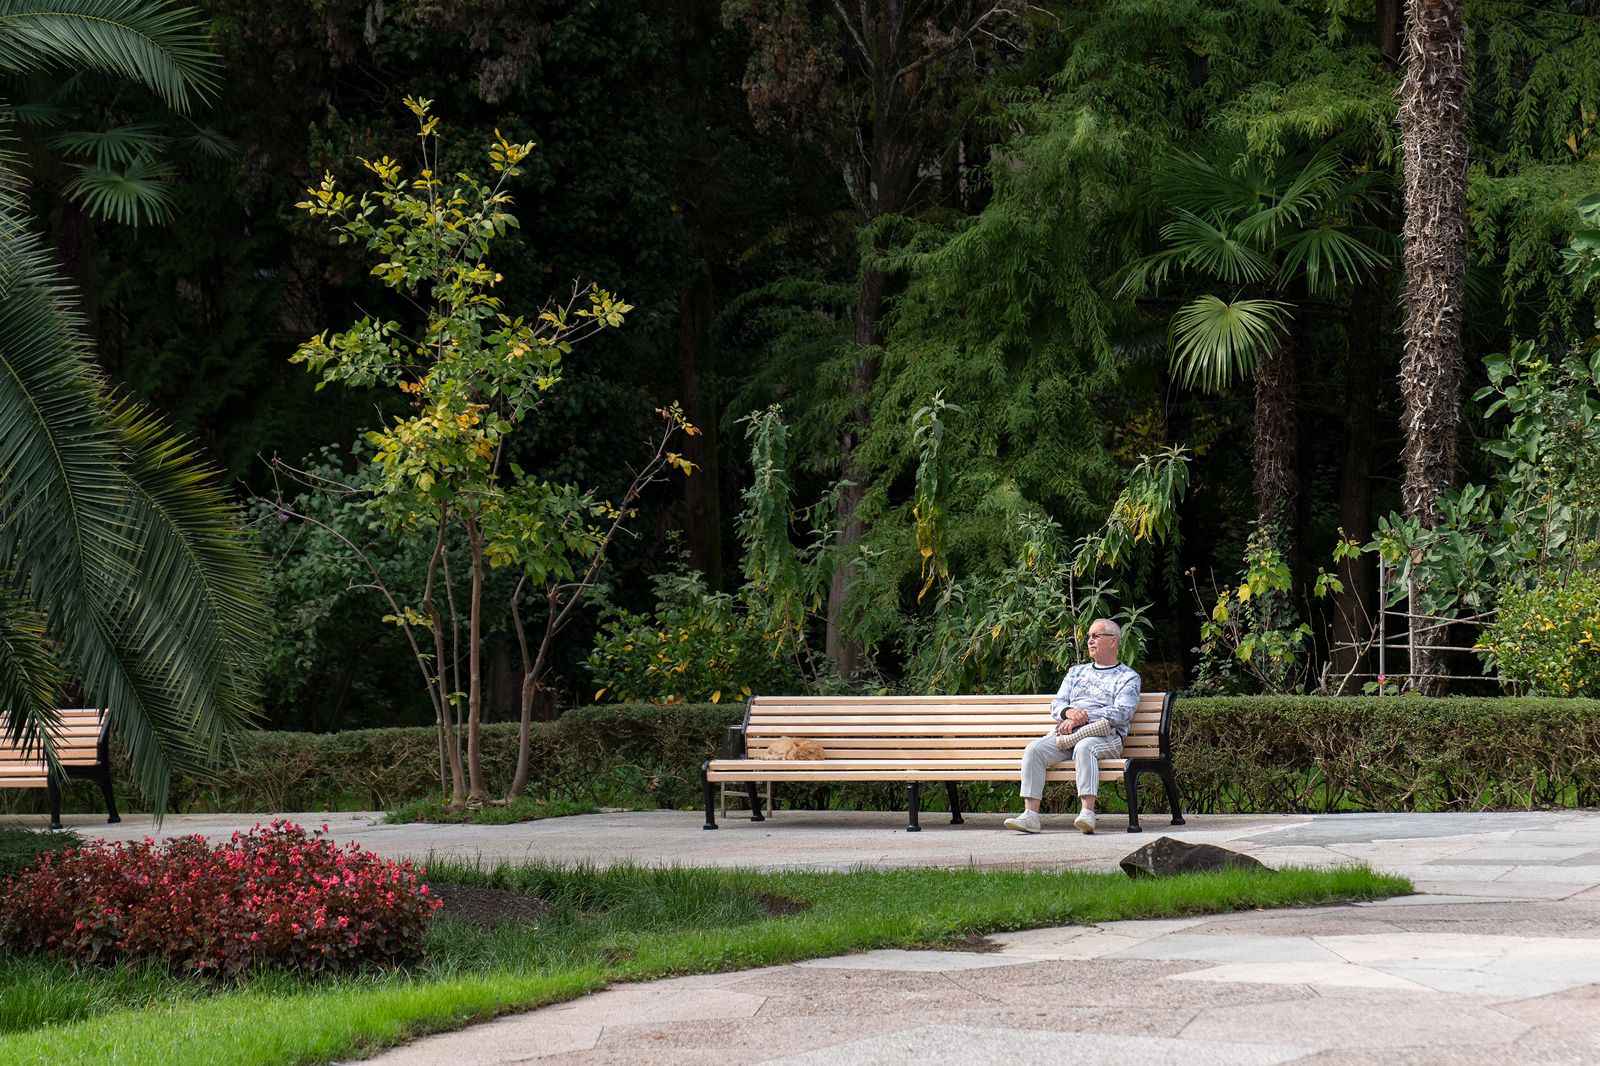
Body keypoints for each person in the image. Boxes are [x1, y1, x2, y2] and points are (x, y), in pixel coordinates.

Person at [1003, 618, 1141, 835]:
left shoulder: (1128, 677)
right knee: (1035, 749)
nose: (1090, 641)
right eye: (1088, 637)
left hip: (1106, 736)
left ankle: (1087, 813)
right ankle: (1030, 816)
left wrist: (1082, 717)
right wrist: (1068, 713)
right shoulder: (1076, 672)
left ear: (1113, 641)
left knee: (1085, 747)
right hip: (1068, 733)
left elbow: (1122, 712)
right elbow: (1057, 704)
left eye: (1096, 636)